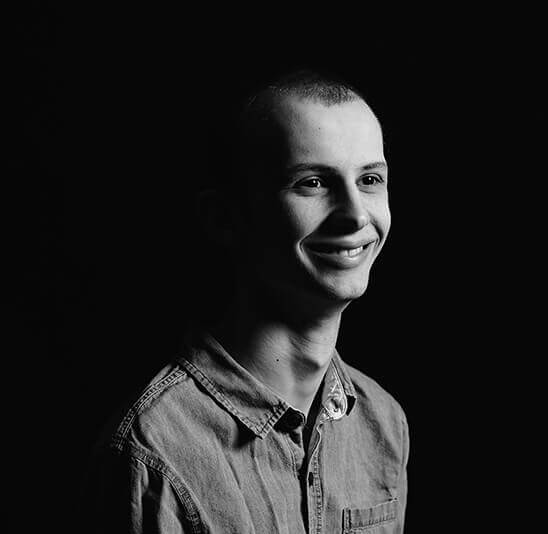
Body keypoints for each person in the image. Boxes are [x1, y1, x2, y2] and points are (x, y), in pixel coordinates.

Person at [81, 69, 409, 533]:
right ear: (224, 219)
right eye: (313, 182)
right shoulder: (153, 453)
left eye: (370, 179)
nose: (356, 214)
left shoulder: (383, 423)